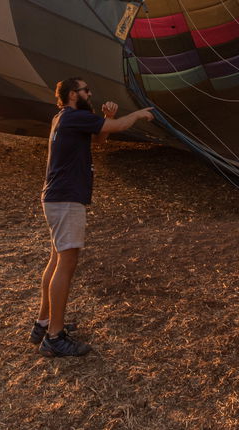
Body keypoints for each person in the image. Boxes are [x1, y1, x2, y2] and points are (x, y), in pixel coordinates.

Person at [33, 78, 151, 357]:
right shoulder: (75, 116)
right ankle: (54, 337)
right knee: (67, 263)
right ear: (74, 94)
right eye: (86, 90)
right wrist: (137, 114)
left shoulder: (64, 118)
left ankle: (43, 323)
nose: (91, 93)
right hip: (66, 199)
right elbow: (121, 127)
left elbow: (98, 142)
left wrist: (106, 117)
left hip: (56, 198)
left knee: (56, 259)